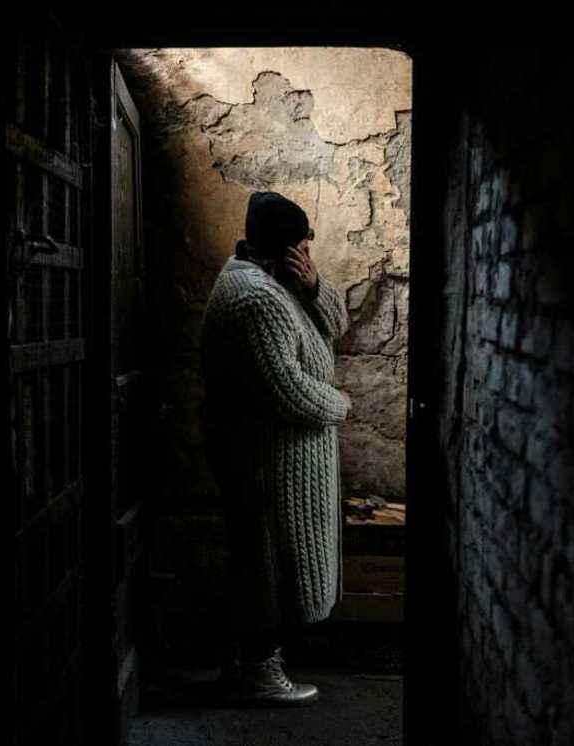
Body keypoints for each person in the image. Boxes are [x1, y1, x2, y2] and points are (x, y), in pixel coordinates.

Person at [199, 191, 352, 706]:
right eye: (304, 242)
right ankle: (261, 671)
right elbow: (282, 387)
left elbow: (338, 323)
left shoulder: (281, 281)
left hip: (279, 459)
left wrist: (314, 286)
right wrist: (340, 404)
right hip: (263, 460)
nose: (311, 248)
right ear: (286, 248)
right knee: (266, 563)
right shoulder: (257, 297)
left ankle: (248, 662)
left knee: (265, 560)